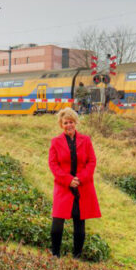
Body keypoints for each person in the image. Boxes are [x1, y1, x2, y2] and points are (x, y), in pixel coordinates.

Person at [48, 108, 101, 258]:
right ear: (61, 124)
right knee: (57, 222)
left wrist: (80, 179)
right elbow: (53, 164)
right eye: (65, 122)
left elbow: (91, 161)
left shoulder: (86, 140)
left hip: (82, 187)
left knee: (79, 223)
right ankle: (55, 254)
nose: (69, 125)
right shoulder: (55, 142)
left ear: (75, 122)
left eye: (71, 122)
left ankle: (77, 256)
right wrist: (68, 180)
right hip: (63, 186)